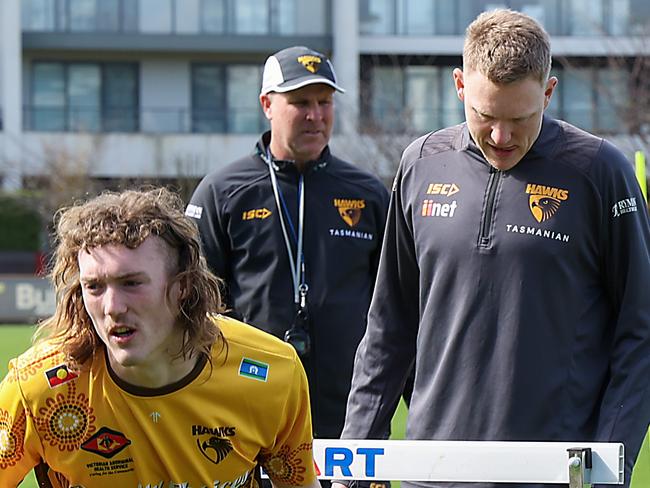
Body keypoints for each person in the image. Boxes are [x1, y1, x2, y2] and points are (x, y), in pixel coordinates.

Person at [335, 9, 650, 488]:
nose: (501, 137)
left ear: (548, 92)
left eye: (520, 118)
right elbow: (388, 328)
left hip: (556, 476)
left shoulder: (600, 172)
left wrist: (610, 465)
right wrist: (353, 465)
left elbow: (641, 331)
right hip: (432, 472)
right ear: (460, 86)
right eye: (485, 116)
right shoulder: (420, 164)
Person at [0, 187, 320, 488]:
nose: (112, 307)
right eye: (94, 286)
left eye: (132, 283)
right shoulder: (38, 387)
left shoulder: (271, 372)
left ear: (183, 286)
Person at [187, 46, 391, 440]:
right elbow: (195, 304)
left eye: (324, 102)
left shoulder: (368, 194)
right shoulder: (223, 191)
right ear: (267, 104)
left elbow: (395, 307)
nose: (315, 115)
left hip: (351, 412)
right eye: (300, 102)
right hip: (248, 406)